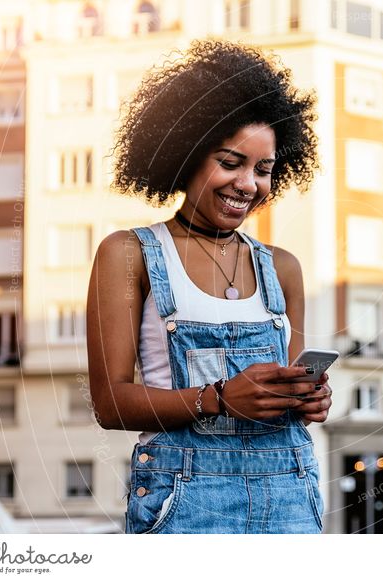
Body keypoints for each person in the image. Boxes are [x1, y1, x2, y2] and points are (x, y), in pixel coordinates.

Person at [86, 40, 332, 534]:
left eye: (264, 170)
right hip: (184, 498)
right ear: (186, 155)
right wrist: (218, 398)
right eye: (231, 162)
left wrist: (311, 400)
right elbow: (111, 405)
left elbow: (290, 398)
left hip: (290, 493)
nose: (248, 184)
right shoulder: (128, 253)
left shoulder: (283, 268)